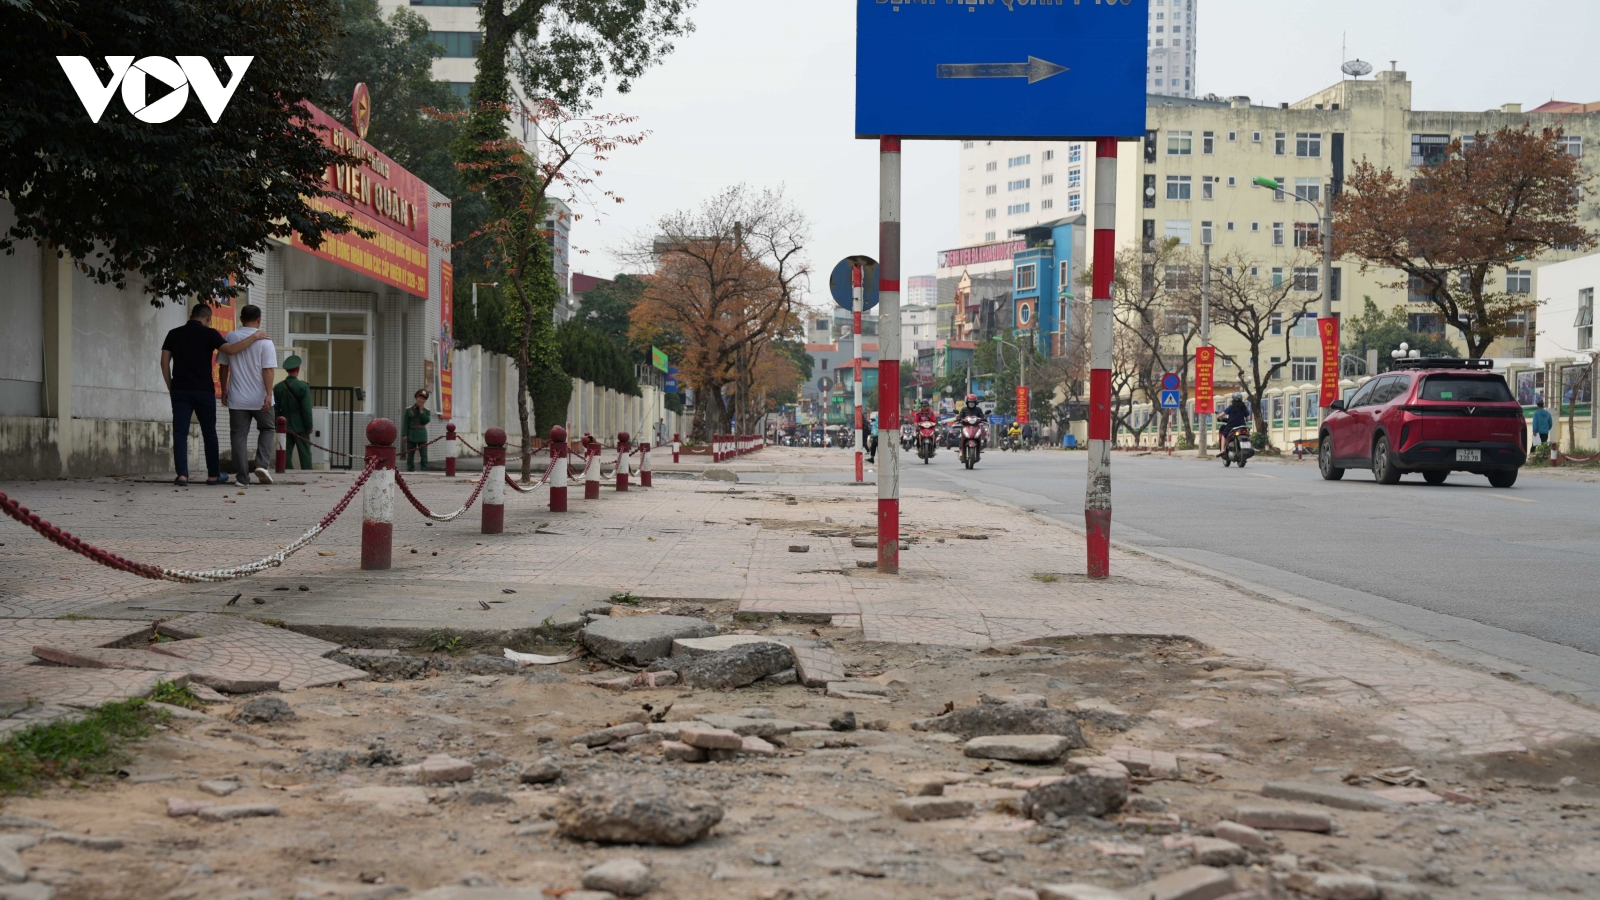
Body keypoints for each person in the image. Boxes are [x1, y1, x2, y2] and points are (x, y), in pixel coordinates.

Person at [160, 302, 269, 485]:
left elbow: (164, 362)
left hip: (180, 390)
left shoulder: (174, 333)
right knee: (209, 432)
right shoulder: (210, 333)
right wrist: (255, 336)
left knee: (180, 433)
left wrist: (171, 387)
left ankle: (182, 476)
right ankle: (213, 475)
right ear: (209, 318)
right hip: (203, 391)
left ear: (191, 316)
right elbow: (231, 350)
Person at [218, 305, 279, 487]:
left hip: (237, 398)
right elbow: (267, 370)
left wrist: (224, 389)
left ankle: (242, 478)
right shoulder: (265, 341)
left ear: (241, 318)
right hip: (260, 398)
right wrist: (269, 393)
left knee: (238, 436)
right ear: (259, 319)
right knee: (267, 429)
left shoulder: (230, 337)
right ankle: (261, 465)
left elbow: (223, 366)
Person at [273, 354, 314, 469]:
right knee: (304, 453)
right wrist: (309, 426)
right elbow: (306, 409)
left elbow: (275, 409)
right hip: (300, 425)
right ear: (298, 369)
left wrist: (277, 425)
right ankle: (307, 473)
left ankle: (286, 473)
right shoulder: (303, 386)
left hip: (284, 425)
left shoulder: (278, 387)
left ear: (287, 370)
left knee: (285, 452)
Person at [404, 389, 433, 472]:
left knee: (423, 454)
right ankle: (410, 469)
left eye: (423, 399)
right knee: (410, 454)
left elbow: (426, 421)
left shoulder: (426, 411)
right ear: (416, 398)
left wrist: (421, 412)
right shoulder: (409, 410)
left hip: (421, 434)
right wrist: (404, 434)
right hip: (411, 433)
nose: (421, 400)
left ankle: (424, 470)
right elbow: (405, 423)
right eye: (420, 398)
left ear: (425, 401)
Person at [1219, 393, 1250, 460]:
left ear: (1233, 399)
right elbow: (1248, 419)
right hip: (1242, 426)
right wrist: (1244, 419)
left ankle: (1222, 450)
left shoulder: (1231, 407)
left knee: (1224, 435)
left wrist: (1218, 417)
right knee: (1247, 435)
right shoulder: (1244, 408)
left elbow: (1222, 414)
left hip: (1231, 426)